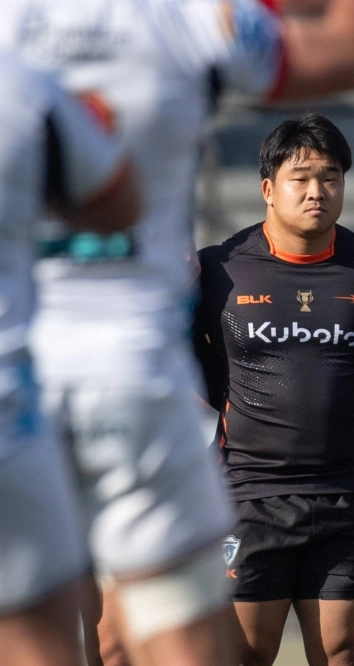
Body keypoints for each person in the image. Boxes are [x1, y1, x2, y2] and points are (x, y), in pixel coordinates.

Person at [2, 1, 354, 664]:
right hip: (132, 376)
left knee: (48, 637)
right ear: (268, 188)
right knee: (177, 643)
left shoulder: (12, 43)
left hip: (19, 382)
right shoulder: (191, 19)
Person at [193, 114, 354, 666]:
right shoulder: (218, 271)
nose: (316, 191)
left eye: (330, 177)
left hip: (344, 499)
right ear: (268, 189)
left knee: (343, 653)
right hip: (248, 497)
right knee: (244, 654)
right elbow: (174, 349)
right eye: (300, 178)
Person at [0, 56, 139, 666]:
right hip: (25, 409)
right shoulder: (25, 97)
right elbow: (118, 201)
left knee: (96, 631)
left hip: (83, 400)